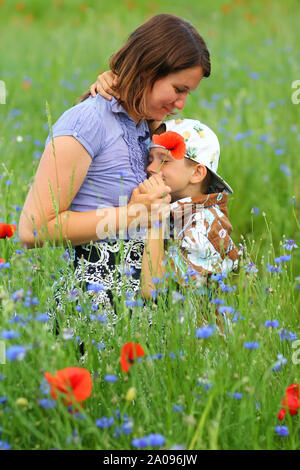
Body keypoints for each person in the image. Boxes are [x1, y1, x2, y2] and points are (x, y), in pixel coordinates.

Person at [18, 14, 211, 327]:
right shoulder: (86, 122)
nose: (181, 104)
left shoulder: (146, 126)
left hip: (140, 314)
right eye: (178, 89)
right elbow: (33, 229)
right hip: (91, 314)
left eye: (188, 92)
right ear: (149, 68)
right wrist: (134, 214)